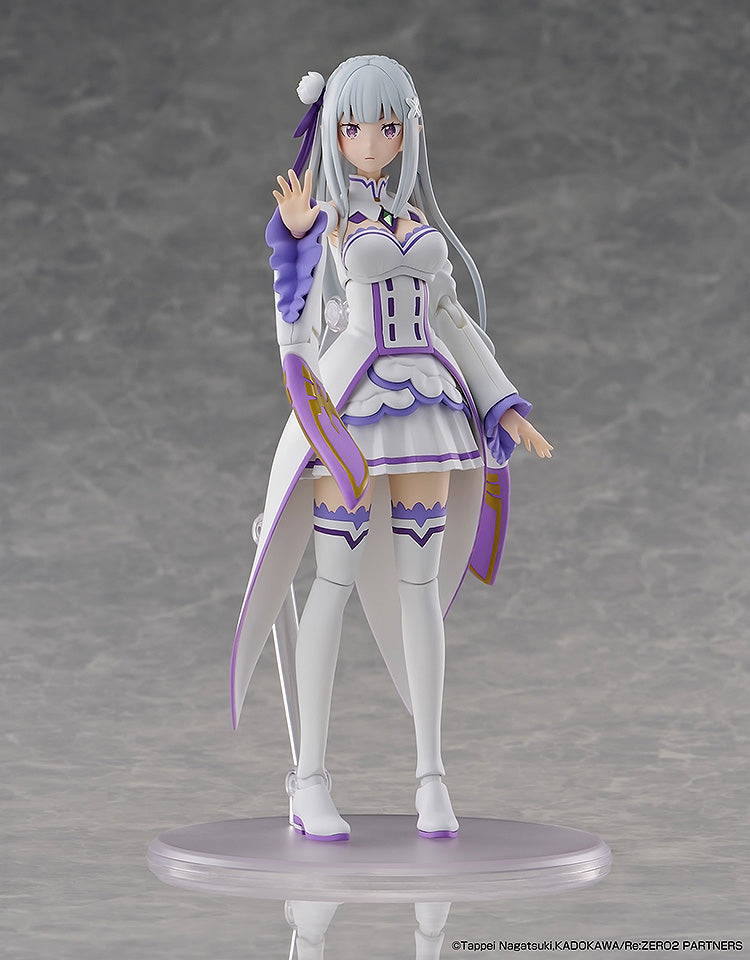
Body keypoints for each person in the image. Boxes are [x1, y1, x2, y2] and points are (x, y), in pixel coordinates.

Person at [231, 55, 552, 842]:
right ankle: (310, 779)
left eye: (385, 125)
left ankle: (432, 777)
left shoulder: (416, 221)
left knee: (420, 586)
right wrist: (297, 242)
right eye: (352, 126)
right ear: (334, 132)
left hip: (430, 410)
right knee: (332, 582)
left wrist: (503, 403)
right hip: (352, 412)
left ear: (407, 130)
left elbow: (453, 322)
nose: (370, 142)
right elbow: (297, 334)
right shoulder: (328, 222)